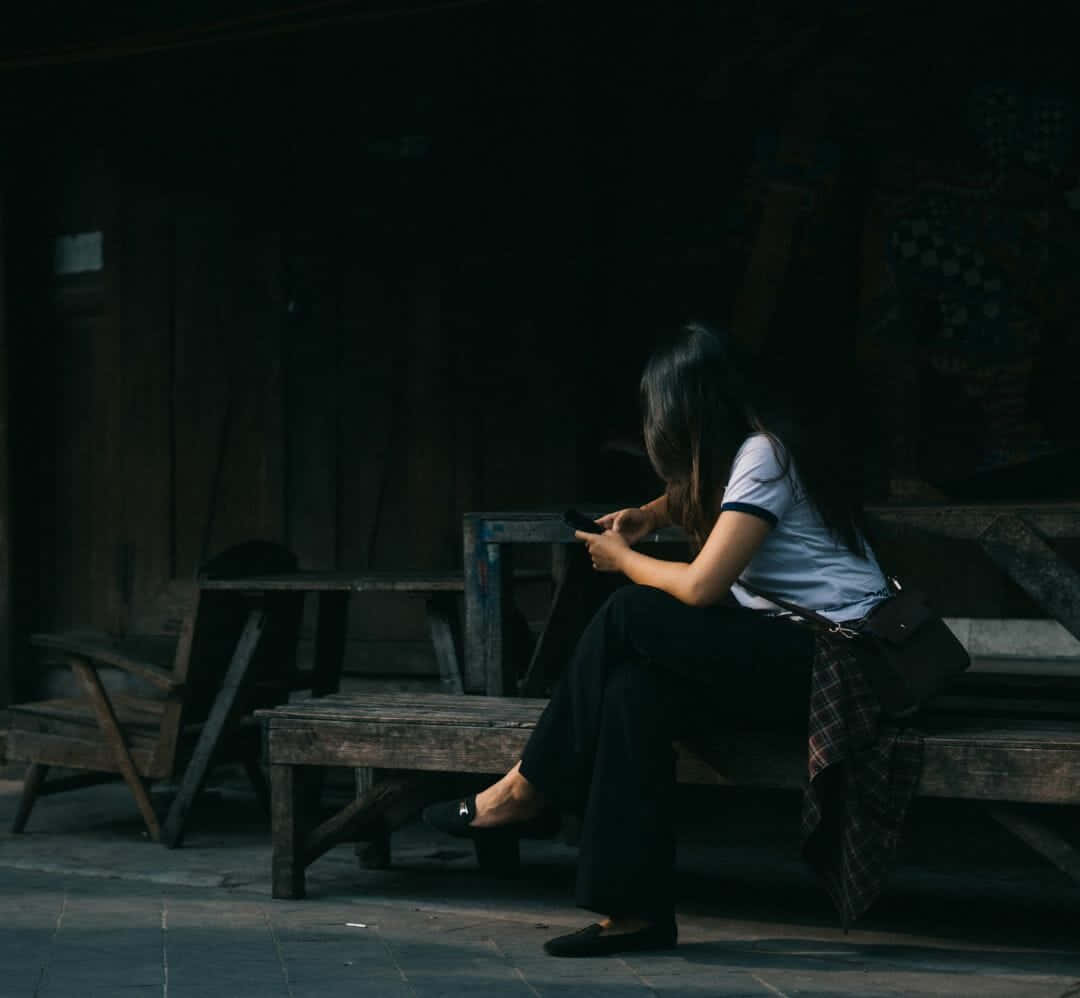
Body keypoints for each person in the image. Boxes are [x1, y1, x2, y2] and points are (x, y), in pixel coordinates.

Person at [423, 321, 894, 957]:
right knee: (632, 691)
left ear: (685, 412)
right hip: (800, 655)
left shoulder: (765, 455)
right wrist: (649, 514)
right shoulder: (750, 454)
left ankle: (525, 789)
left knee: (629, 613)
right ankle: (634, 913)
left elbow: (701, 588)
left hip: (847, 665)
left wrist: (623, 557)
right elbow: (696, 494)